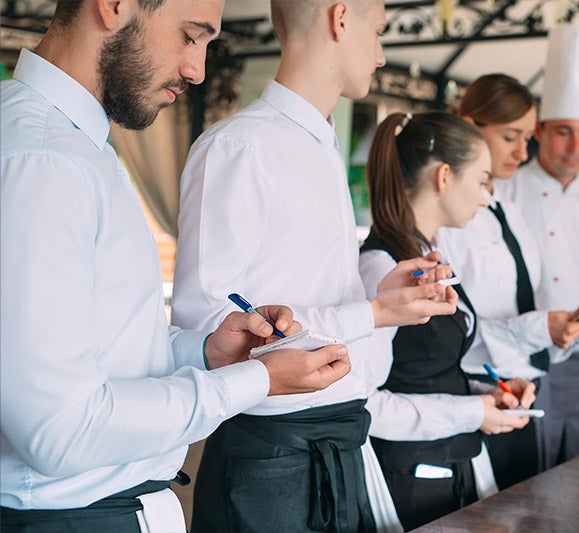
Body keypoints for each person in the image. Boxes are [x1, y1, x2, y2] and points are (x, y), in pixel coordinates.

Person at [0, 0, 352, 531]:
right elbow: (61, 430)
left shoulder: (74, 146)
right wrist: (254, 381)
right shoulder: (43, 160)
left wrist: (208, 352)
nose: (197, 70)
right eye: (191, 36)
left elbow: (106, 345)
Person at [171, 1, 458, 531]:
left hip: (341, 441)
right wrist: (369, 313)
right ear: (340, 18)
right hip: (269, 460)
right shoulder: (240, 146)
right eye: (378, 32)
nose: (380, 54)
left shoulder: (321, 144)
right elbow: (206, 325)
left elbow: (306, 282)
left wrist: (376, 293)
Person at [359, 111, 537, 530]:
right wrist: (473, 412)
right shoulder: (379, 268)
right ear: (444, 177)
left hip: (450, 465)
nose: (486, 196)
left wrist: (490, 391)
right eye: (481, 179)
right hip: (408, 481)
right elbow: (366, 406)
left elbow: (431, 367)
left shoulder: (430, 255)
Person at [437, 73, 579, 489]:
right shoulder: (448, 218)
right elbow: (454, 329)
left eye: (525, 138)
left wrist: (570, 317)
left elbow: (519, 300)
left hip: (520, 383)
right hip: (474, 392)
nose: (522, 151)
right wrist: (543, 328)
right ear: (470, 126)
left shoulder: (506, 212)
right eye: (511, 136)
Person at [495, 23, 579, 469]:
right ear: (540, 130)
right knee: (530, 477)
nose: (574, 146)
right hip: (524, 358)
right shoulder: (505, 190)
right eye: (563, 131)